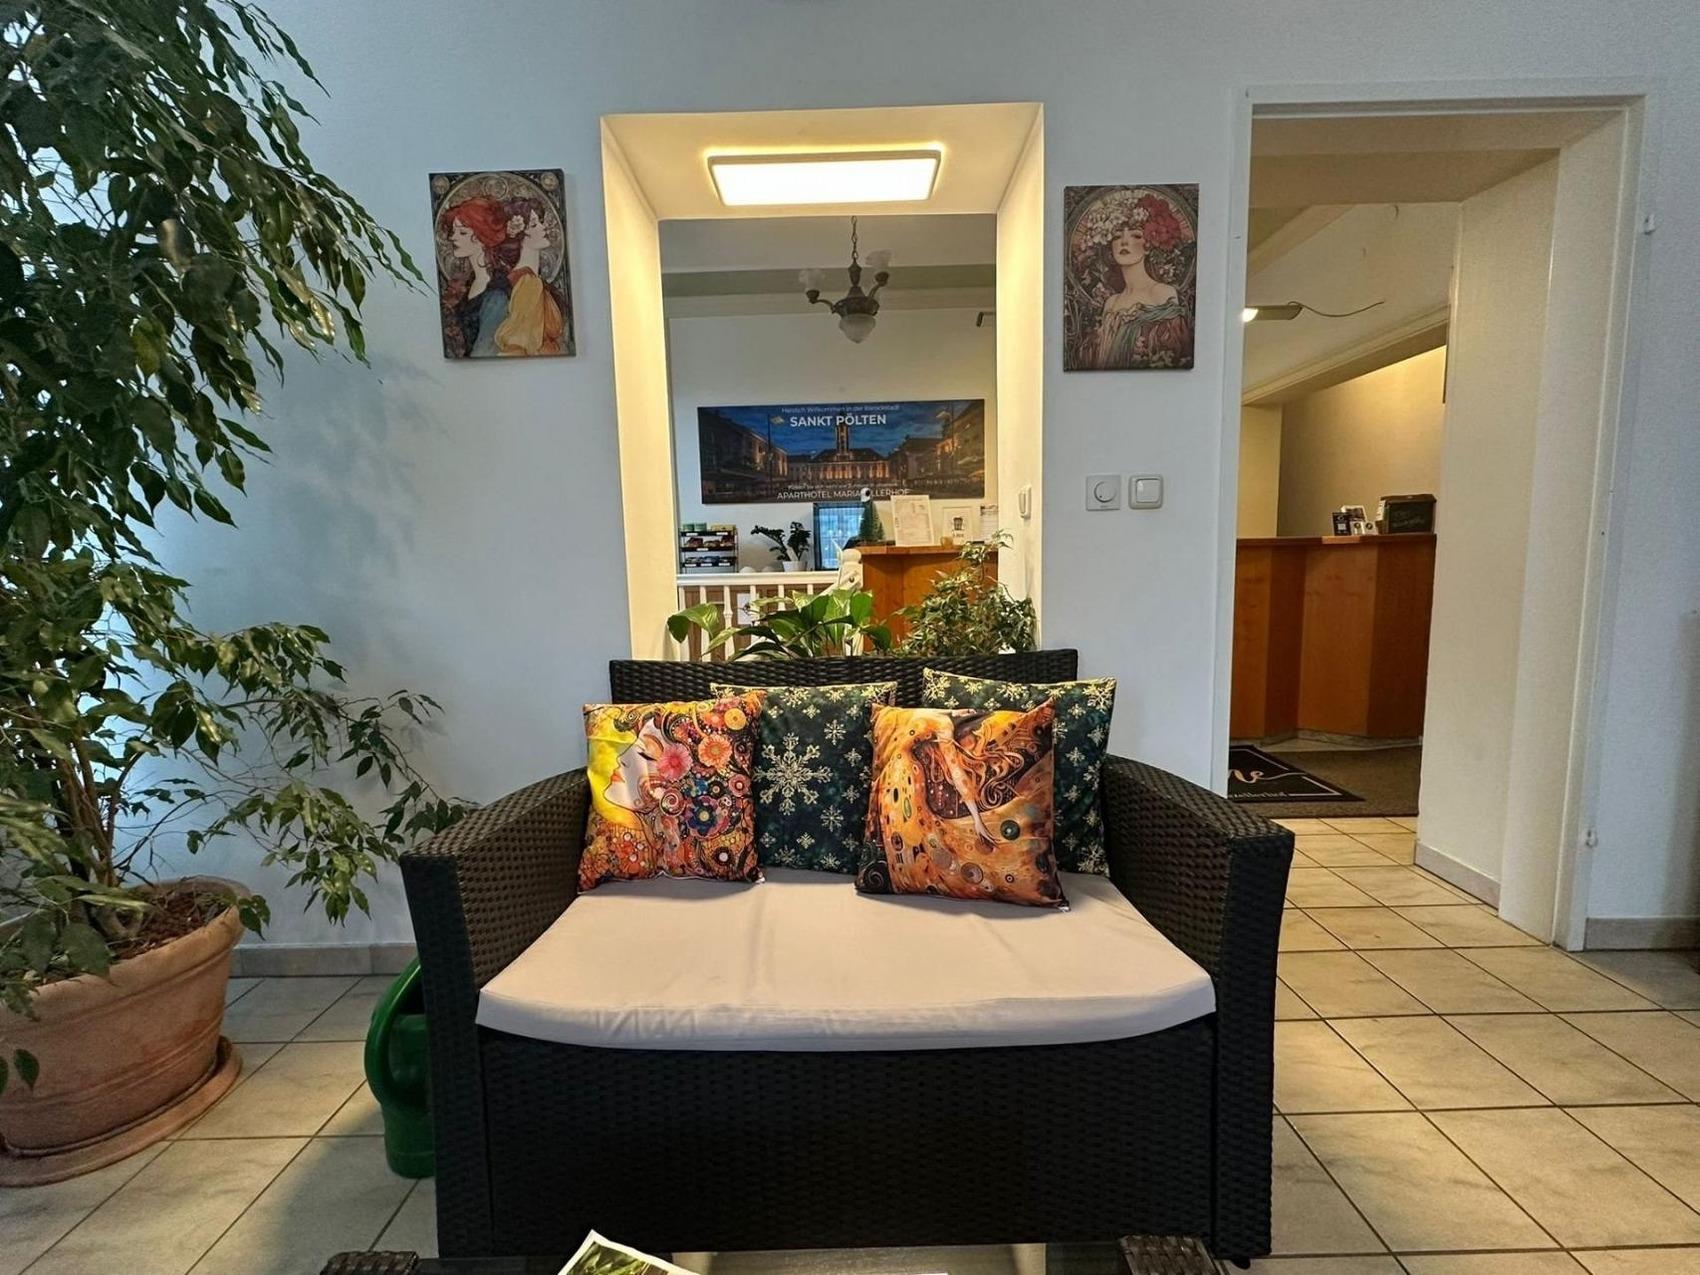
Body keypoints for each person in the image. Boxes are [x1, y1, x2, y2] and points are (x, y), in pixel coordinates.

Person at [1079, 190, 1194, 369]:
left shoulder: (1162, 294)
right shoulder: (1111, 303)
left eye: (1136, 235)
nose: (1124, 242)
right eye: (1117, 236)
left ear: (1149, 244)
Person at [437, 195, 513, 357]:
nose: (453, 237)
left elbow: (486, 350)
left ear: (482, 236)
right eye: (454, 231)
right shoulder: (469, 282)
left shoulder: (497, 292)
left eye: (462, 232)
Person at [494, 199, 567, 356]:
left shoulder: (531, 279)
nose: (543, 227)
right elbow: (518, 347)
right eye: (534, 225)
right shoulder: (528, 283)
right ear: (519, 237)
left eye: (540, 221)